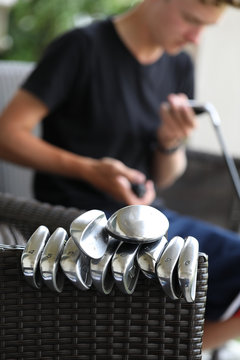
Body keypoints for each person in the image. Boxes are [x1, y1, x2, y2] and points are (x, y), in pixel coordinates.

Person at [0, 0, 240, 351]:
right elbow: (7, 135)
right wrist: (88, 169)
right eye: (190, 20)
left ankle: (177, 349)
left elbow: (167, 176)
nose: (196, 37)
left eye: (205, 27)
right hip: (84, 225)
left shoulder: (179, 65)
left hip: (151, 221)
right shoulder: (81, 48)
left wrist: (169, 143)